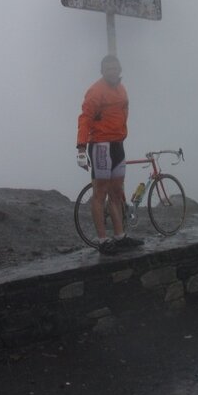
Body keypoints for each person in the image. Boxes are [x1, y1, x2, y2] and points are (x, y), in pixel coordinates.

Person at [76, 55, 144, 255]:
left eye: (115, 68)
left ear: (119, 69)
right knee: (100, 193)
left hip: (117, 145)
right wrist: (81, 148)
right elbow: (85, 118)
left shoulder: (122, 89)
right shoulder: (95, 91)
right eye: (108, 68)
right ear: (102, 71)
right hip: (100, 146)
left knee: (116, 191)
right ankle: (103, 240)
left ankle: (120, 236)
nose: (112, 71)